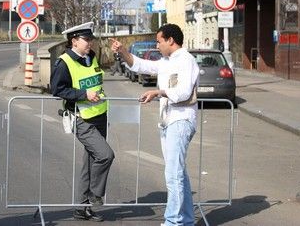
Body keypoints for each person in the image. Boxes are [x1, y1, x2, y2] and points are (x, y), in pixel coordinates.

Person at [110, 24, 199, 226]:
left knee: (173, 175)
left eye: (159, 41)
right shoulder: (167, 61)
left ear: (171, 40)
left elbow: (184, 92)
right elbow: (142, 65)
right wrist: (123, 51)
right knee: (178, 173)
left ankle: (174, 222)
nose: (157, 45)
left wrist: (158, 92)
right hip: (169, 121)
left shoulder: (186, 60)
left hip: (181, 120)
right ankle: (185, 220)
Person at [50, 21, 114, 222]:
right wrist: (84, 94)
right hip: (81, 118)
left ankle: (81, 208)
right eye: (86, 40)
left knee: (90, 163)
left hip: (99, 116)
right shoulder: (64, 62)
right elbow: (57, 90)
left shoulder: (91, 57)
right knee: (105, 155)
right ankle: (95, 195)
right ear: (74, 41)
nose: (90, 43)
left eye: (91, 39)